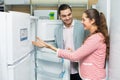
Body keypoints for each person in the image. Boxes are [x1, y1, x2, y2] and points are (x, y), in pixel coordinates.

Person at [32, 8, 109, 80]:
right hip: (86, 75)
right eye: (64, 16)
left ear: (92, 21)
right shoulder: (95, 36)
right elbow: (83, 54)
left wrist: (49, 46)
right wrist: (71, 52)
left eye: (83, 19)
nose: (82, 22)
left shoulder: (96, 38)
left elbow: (75, 56)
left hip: (93, 77)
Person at [55, 4, 88, 80]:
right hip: (64, 69)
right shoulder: (57, 30)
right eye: (64, 16)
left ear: (71, 13)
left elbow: (88, 43)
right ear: (59, 16)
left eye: (69, 14)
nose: (67, 18)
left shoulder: (82, 25)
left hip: (80, 69)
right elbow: (57, 47)